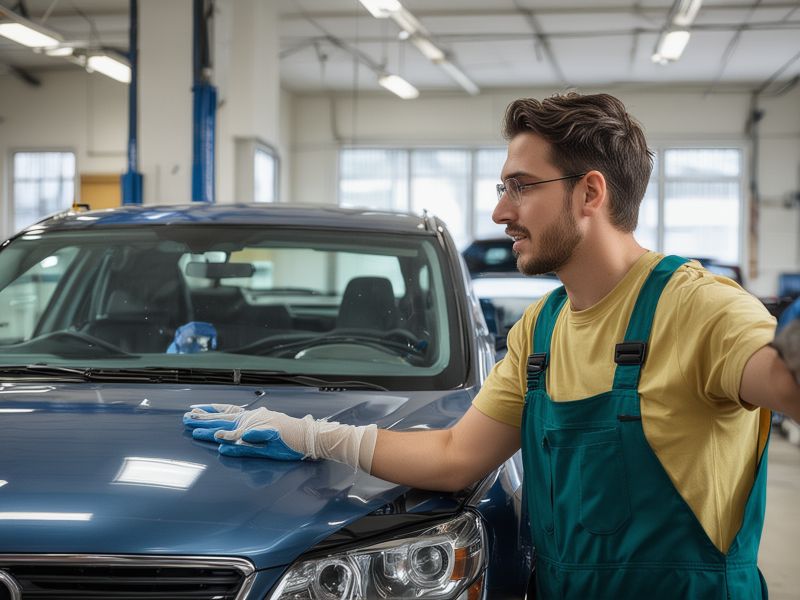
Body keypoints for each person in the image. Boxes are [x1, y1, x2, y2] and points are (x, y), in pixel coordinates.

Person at [184, 92, 800, 599]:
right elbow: (455, 455)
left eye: (521, 186)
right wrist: (309, 435)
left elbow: (783, 382)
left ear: (590, 193)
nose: (501, 210)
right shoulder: (543, 330)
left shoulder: (699, 306)